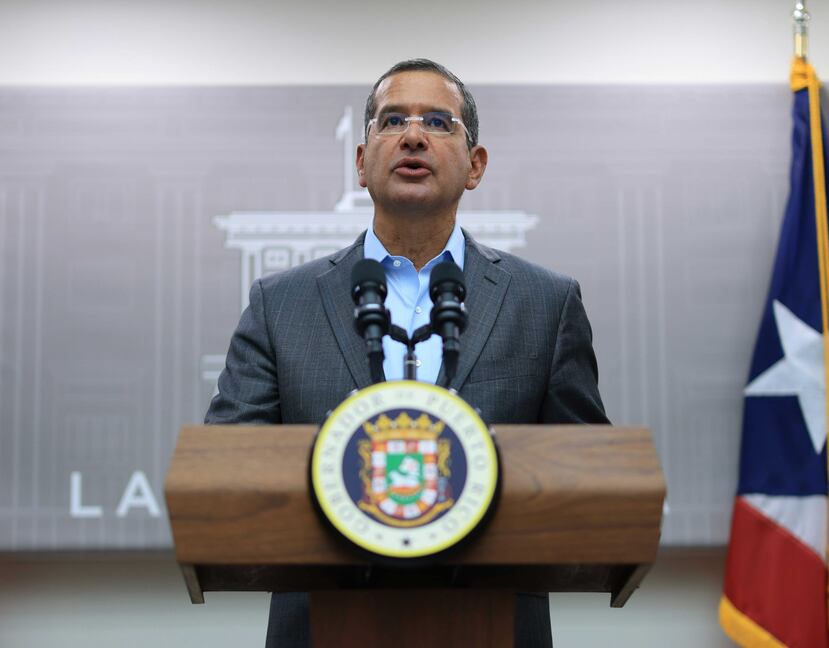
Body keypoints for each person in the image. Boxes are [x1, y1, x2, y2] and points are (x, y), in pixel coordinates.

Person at [206, 58, 609, 648]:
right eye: (392, 120)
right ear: (362, 161)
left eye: (439, 122)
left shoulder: (544, 303)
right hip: (323, 625)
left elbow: (587, 478)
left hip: (491, 623)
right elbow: (225, 468)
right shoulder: (281, 304)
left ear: (475, 166)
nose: (414, 135)